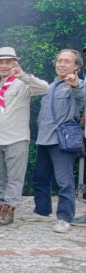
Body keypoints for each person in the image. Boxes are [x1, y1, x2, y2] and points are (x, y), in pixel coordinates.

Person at [0, 47, 47, 226]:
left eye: (8, 62)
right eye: (0, 62)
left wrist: (23, 75)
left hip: (16, 137)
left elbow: (44, 88)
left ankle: (9, 207)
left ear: (15, 62)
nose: (4, 66)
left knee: (15, 176)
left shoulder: (23, 82)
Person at [27, 49, 84, 233]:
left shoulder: (77, 85)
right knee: (40, 178)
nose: (61, 64)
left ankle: (64, 218)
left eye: (67, 61)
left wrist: (75, 84)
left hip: (62, 141)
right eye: (59, 60)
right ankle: (42, 211)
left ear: (76, 66)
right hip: (44, 139)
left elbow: (81, 95)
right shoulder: (50, 86)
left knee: (64, 182)